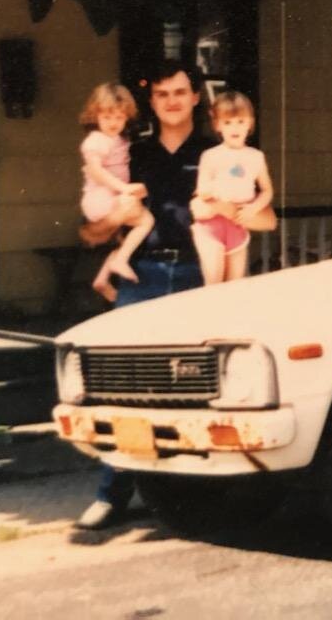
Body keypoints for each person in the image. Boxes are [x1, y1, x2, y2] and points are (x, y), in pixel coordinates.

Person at [76, 60, 210, 530]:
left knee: (201, 385)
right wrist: (113, 221)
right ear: (151, 102)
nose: (171, 101)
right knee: (122, 381)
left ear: (196, 96)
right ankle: (113, 493)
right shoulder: (133, 152)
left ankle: (198, 491)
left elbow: (257, 217)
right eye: (161, 94)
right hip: (144, 273)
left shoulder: (219, 148)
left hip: (199, 274)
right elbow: (92, 232)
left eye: (180, 92)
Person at [78, 83, 155, 302]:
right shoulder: (97, 140)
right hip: (100, 198)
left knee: (125, 241)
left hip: (109, 198)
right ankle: (119, 262)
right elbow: (95, 170)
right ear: (96, 115)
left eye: (119, 118)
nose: (114, 123)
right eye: (108, 117)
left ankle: (102, 279)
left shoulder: (119, 140)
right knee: (146, 221)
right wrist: (124, 189)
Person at [190, 91, 274, 285]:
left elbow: (267, 190)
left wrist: (254, 208)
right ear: (217, 125)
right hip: (212, 225)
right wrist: (215, 193)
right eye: (227, 123)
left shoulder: (256, 157)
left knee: (234, 286)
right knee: (213, 283)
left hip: (238, 224)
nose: (234, 128)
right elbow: (201, 188)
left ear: (250, 123)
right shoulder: (210, 156)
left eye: (240, 121)